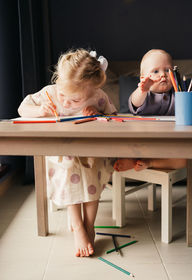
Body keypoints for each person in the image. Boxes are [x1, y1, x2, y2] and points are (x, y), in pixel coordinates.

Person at [18, 49, 116, 257]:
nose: (65, 102)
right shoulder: (51, 93)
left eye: (74, 100)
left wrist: (98, 115)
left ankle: (90, 224)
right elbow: (22, 109)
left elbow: (114, 117)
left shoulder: (98, 97)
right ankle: (77, 224)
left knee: (92, 168)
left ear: (92, 92)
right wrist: (39, 112)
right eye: (63, 95)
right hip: (60, 156)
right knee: (70, 164)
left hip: (91, 156)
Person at [114, 49, 186, 172]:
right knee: (121, 148)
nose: (163, 74)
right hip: (143, 144)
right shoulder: (144, 95)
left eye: (167, 70)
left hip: (169, 145)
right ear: (143, 78)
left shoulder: (178, 93)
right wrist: (143, 90)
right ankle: (135, 160)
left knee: (183, 161)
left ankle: (150, 163)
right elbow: (135, 102)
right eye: (156, 71)